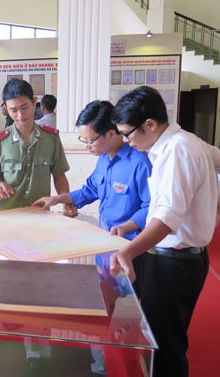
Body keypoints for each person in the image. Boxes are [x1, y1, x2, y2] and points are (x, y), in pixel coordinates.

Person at [110, 85, 220, 377]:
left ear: (150, 124)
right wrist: (215, 210)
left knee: (164, 346)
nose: (125, 141)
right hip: (175, 258)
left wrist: (129, 249)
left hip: (175, 262)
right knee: (159, 335)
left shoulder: (179, 150)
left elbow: (166, 219)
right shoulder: (180, 141)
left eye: (127, 133)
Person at [33, 100, 152, 295]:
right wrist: (56, 199)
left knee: (126, 303)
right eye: (84, 140)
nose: (87, 146)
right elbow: (90, 190)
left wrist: (126, 226)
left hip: (128, 249)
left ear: (111, 134)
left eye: (90, 140)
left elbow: (150, 207)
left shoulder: (139, 163)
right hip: (104, 242)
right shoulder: (104, 159)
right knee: (105, 294)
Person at [0, 79, 70, 210]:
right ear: (6, 109)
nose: (20, 115)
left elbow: (59, 176)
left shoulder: (51, 138)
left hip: (38, 213)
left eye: (24, 107)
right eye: (13, 110)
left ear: (34, 102)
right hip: (5, 213)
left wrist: (66, 202)